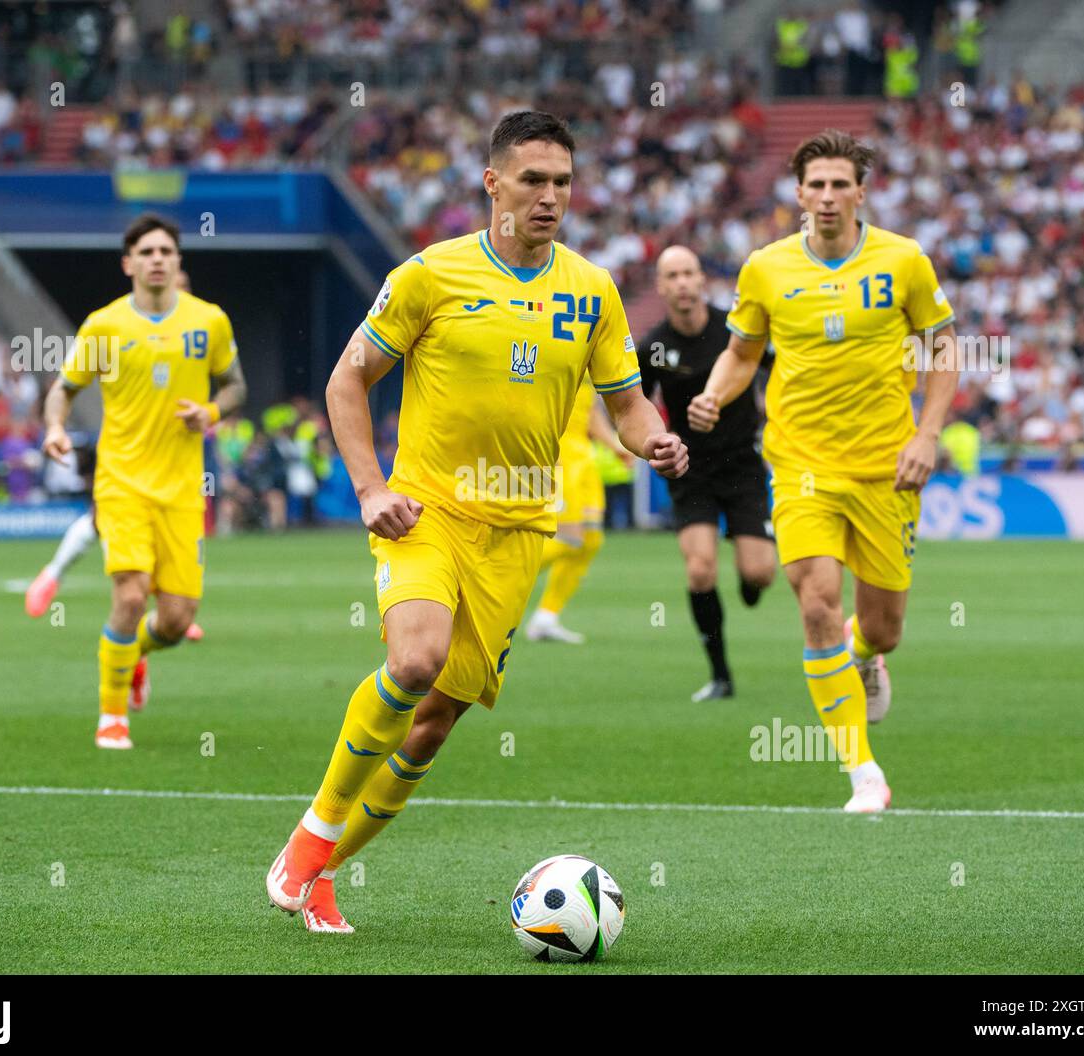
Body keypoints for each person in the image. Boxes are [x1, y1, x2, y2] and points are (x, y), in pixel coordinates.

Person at [265, 110, 688, 933]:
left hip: (520, 532)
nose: (550, 196)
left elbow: (628, 407)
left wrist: (656, 444)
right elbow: (346, 383)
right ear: (492, 183)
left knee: (429, 730)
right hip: (427, 511)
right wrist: (368, 489)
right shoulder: (429, 275)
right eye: (533, 179)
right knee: (415, 661)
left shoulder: (593, 291)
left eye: (563, 181)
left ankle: (326, 874)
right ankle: (309, 841)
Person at [688, 129, 959, 813]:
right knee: (814, 600)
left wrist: (928, 435)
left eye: (842, 184)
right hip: (800, 462)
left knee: (885, 624)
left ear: (861, 192)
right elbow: (743, 352)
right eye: (818, 185)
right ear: (799, 193)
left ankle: (865, 652)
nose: (829, 196)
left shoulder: (904, 261)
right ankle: (862, 771)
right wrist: (714, 394)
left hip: (885, 468)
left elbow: (944, 348)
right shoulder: (767, 269)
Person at [40, 213, 246, 750]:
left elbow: (235, 387)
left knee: (176, 620)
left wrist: (210, 412)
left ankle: (133, 655)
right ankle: (111, 717)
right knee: (130, 598)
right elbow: (63, 388)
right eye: (147, 252)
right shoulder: (105, 326)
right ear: (128, 263)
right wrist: (55, 427)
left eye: (166, 251)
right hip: (121, 483)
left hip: (182, 489)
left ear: (179, 262)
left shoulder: (209, 322)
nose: (157, 259)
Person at [25, 270, 205, 643]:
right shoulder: (124, 331)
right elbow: (75, 384)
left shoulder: (198, 338)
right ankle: (54, 574)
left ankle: (166, 617)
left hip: (175, 467)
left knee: (163, 548)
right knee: (117, 550)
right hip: (127, 462)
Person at [638, 246, 777, 701]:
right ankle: (720, 676)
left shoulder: (733, 331)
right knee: (700, 570)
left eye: (688, 273)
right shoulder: (654, 347)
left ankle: (749, 579)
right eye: (671, 275)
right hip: (690, 469)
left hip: (742, 463)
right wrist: (657, 443)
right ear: (661, 287)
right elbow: (635, 403)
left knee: (759, 574)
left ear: (701, 280)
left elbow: (781, 372)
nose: (681, 282)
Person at [523, 375, 632, 643]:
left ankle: (546, 618)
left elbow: (590, 409)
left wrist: (612, 444)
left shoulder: (593, 343)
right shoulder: (549, 341)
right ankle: (493, 580)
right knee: (568, 539)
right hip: (556, 454)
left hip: (583, 455)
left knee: (590, 540)